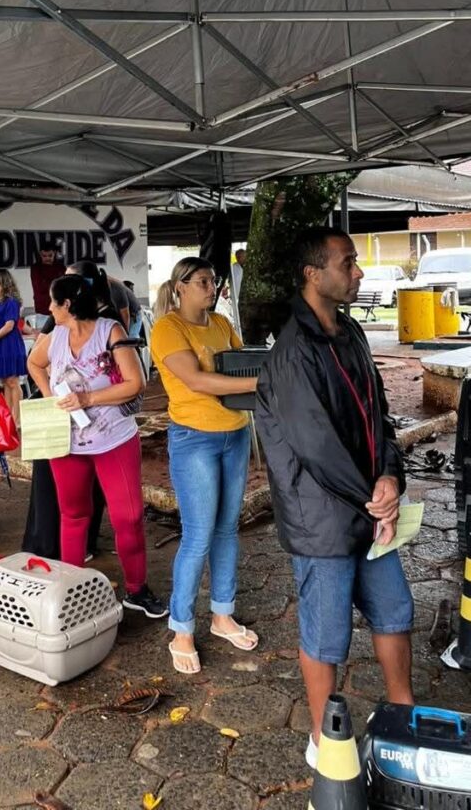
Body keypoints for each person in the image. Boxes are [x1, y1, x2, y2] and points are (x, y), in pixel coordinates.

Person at [252, 227, 414, 769]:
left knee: (394, 611)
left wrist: (390, 477)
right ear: (313, 274)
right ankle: (326, 743)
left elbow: (378, 415)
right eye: (348, 263)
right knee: (326, 636)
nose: (359, 272)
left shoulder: (352, 333)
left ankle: (404, 716)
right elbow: (316, 447)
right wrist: (377, 500)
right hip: (322, 519)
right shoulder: (292, 353)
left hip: (370, 507)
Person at [27, 274, 167, 618]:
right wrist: (51, 397)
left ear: (68, 305)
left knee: (128, 517)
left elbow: (136, 383)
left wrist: (88, 398)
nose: (49, 308)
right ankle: (72, 593)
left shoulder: (110, 331)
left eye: (53, 302)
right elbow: (34, 363)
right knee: (73, 515)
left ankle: (136, 589)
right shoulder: (56, 336)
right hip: (69, 443)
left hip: (114, 440)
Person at [150, 257, 260, 674]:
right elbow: (195, 380)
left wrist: (261, 375)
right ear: (180, 286)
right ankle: (181, 629)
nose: (211, 288)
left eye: (213, 281)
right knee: (198, 535)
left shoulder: (220, 323)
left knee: (228, 528)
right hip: (194, 438)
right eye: (202, 282)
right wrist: (259, 383)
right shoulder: (168, 328)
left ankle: (222, 614)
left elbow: (241, 361)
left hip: (235, 433)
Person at [0, 268, 27, 425]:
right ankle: (9, 417)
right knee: (5, 382)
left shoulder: (11, 302)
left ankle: (17, 418)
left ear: (4, 284)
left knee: (12, 382)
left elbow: (9, 325)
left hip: (9, 345)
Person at [30, 241, 65, 316]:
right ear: (40, 254)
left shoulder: (61, 267)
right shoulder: (35, 268)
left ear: (54, 253)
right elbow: (40, 287)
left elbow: (64, 287)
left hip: (59, 307)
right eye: (44, 256)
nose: (47, 258)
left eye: (50, 255)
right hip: (42, 308)